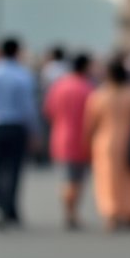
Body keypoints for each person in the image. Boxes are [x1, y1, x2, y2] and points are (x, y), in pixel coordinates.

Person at [85, 55, 130, 230]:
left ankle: (111, 213)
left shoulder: (99, 95)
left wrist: (86, 141)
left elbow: (91, 123)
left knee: (108, 179)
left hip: (106, 142)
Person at [0, 37, 40, 229]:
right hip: (17, 127)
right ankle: (10, 208)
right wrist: (34, 132)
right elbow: (29, 108)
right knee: (14, 170)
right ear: (17, 52)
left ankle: (3, 206)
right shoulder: (23, 75)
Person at [43, 52, 96, 229]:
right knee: (77, 180)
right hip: (81, 138)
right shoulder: (88, 88)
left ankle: (69, 212)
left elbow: (48, 111)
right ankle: (71, 213)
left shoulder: (59, 86)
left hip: (60, 136)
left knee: (67, 178)